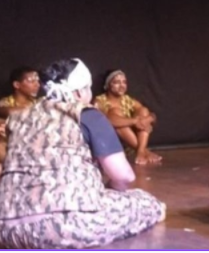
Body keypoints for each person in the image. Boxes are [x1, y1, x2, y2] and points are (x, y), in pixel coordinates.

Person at [0, 58, 165, 249]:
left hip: (6, 227)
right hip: (64, 228)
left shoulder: (19, 117)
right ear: (79, 92)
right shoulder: (87, 114)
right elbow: (124, 176)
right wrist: (112, 191)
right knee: (147, 203)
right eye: (88, 88)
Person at [93, 70, 161, 165]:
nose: (122, 86)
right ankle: (144, 151)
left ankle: (141, 151)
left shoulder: (127, 100)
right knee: (116, 113)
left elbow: (152, 115)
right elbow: (104, 122)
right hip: (110, 144)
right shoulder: (99, 101)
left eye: (124, 82)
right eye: (117, 82)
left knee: (143, 110)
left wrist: (146, 120)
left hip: (128, 144)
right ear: (108, 85)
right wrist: (135, 121)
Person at [0, 67, 41, 173]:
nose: (37, 84)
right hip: (11, 151)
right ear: (17, 85)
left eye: (37, 81)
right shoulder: (4, 104)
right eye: (31, 81)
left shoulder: (39, 104)